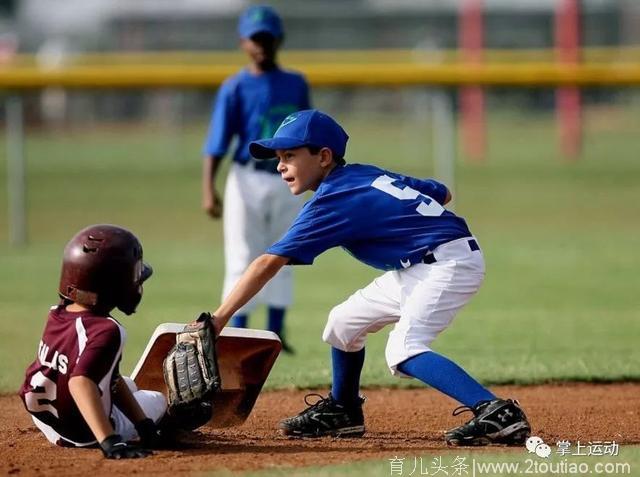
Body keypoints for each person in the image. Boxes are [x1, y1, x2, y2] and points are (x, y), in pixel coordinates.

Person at [207, 109, 532, 445]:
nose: (280, 166)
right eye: (278, 157)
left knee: (404, 349)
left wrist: (219, 318)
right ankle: (343, 410)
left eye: (289, 155)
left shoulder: (333, 199)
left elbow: (266, 263)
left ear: (324, 157)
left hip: (447, 263)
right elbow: (442, 192)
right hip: (420, 264)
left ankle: (496, 412)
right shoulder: (363, 175)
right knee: (342, 323)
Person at [202, 5, 311, 353]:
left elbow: (307, 134)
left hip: (288, 177)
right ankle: (238, 334)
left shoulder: (295, 83)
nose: (261, 45)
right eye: (255, 39)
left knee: (285, 252)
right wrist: (209, 188)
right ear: (243, 43)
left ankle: (276, 334)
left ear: (279, 39)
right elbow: (218, 141)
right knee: (242, 255)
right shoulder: (235, 87)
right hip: (246, 177)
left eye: (267, 38)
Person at [19, 225, 167, 458]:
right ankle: (106, 434)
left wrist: (143, 425)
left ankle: (81, 431)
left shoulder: (57, 313)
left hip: (46, 420)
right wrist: (111, 441)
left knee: (126, 383)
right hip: (84, 433)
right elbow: (79, 382)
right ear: (116, 286)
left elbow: (112, 381)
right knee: (157, 400)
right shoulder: (108, 330)